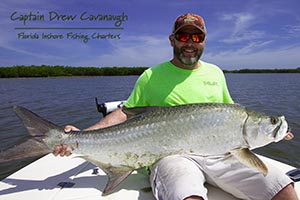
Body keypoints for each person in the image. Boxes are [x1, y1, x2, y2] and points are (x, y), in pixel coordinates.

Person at [54, 13, 297, 200]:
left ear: (203, 41)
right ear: (172, 40)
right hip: (170, 156)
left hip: (223, 154)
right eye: (183, 37)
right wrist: (80, 135)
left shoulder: (215, 72)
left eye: (197, 37)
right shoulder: (151, 75)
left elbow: (231, 111)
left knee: (283, 189)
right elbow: (126, 112)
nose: (190, 43)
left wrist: (271, 131)